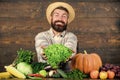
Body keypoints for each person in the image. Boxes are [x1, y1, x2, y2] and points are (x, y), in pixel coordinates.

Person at [35, 2, 77, 71]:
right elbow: (43, 51)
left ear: (67, 20)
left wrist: (51, 53)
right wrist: (45, 53)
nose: (60, 19)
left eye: (64, 16)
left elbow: (69, 50)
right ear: (51, 18)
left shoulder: (72, 37)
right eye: (56, 15)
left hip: (67, 76)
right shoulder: (41, 36)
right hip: (45, 76)